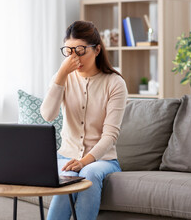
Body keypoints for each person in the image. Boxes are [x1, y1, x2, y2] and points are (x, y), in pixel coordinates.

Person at [40, 20, 128, 220]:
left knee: (88, 174)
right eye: (69, 51)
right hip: (64, 156)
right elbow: (47, 115)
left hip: (102, 160)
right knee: (68, 174)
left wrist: (83, 162)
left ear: (97, 50)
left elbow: (110, 136)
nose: (74, 58)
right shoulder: (63, 77)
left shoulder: (115, 83)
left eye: (80, 51)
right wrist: (62, 74)